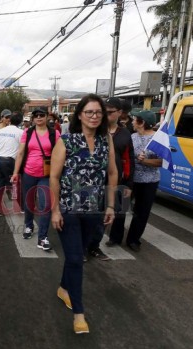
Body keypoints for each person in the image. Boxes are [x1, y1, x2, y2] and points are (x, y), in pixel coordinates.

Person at [49, 94, 117, 334]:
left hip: (94, 211)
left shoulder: (105, 140)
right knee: (77, 259)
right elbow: (54, 177)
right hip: (68, 210)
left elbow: (112, 173)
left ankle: (63, 288)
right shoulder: (66, 141)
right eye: (89, 112)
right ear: (80, 115)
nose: (94, 116)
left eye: (98, 112)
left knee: (76, 255)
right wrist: (55, 210)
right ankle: (79, 314)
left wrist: (110, 205)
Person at [86, 97, 135, 260]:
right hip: (91, 182)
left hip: (114, 183)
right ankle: (81, 247)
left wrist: (128, 184)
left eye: (110, 112)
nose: (105, 115)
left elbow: (129, 160)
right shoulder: (93, 130)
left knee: (104, 218)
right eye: (103, 111)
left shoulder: (126, 134)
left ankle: (94, 246)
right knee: (85, 215)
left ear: (120, 113)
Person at [11, 107, 59, 251]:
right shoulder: (28, 132)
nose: (39, 117)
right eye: (36, 115)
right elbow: (20, 153)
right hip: (28, 173)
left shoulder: (54, 133)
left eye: (42, 115)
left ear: (47, 117)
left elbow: (58, 153)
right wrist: (15, 172)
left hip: (46, 174)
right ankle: (28, 225)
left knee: (45, 205)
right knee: (29, 201)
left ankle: (43, 237)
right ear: (32, 118)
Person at [126, 110, 162, 252]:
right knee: (120, 208)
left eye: (135, 120)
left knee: (142, 212)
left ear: (142, 123)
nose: (133, 122)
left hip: (149, 181)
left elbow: (161, 161)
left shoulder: (158, 140)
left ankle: (133, 239)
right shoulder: (132, 137)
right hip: (130, 179)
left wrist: (145, 161)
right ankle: (114, 237)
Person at [0, 112, 23, 216]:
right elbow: (22, 150)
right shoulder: (21, 132)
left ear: (10, 120)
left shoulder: (1, 131)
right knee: (15, 184)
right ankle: (19, 207)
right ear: (20, 121)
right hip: (11, 161)